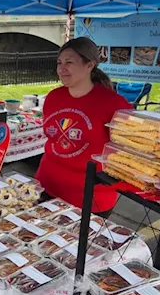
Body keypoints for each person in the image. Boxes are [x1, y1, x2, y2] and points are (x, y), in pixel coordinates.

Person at [35, 37, 132, 217]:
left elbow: (126, 152)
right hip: (46, 187)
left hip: (90, 198)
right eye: (59, 62)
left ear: (90, 65)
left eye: (69, 62)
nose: (61, 69)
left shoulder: (114, 104)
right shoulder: (53, 97)